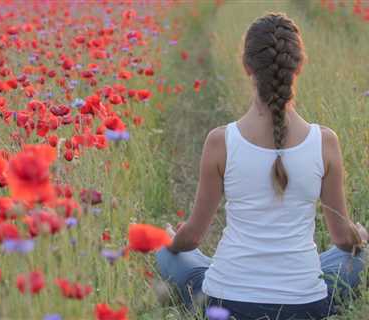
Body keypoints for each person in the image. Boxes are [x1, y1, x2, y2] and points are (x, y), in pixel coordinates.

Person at [155, 12, 368, 320]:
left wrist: (171, 239)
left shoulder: (220, 141)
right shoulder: (325, 142)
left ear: (246, 66)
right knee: (356, 255)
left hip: (225, 302)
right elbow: (342, 239)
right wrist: (359, 237)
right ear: (298, 66)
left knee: (168, 251)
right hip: (306, 306)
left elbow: (193, 237)